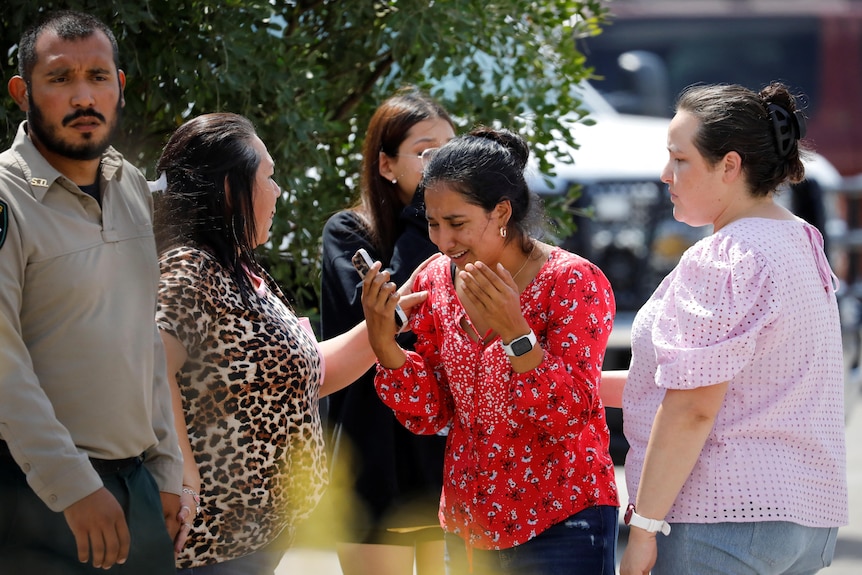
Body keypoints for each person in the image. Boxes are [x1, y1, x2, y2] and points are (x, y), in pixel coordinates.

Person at [153, 112, 428, 574]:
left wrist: (390, 317)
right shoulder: (190, 268)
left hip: (257, 537)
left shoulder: (242, 270)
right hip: (210, 540)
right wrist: (183, 472)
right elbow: (151, 371)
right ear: (229, 188)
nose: (279, 192)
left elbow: (310, 373)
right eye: (269, 177)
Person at [608, 83, 848, 575]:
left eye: (680, 160)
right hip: (804, 520)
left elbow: (693, 406)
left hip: (721, 520)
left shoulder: (724, 255)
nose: (665, 175)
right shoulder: (802, 241)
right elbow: (748, 388)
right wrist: (575, 384)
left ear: (730, 166)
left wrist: (644, 528)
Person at [360, 127, 620, 575]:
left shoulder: (573, 282)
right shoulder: (434, 278)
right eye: (432, 222)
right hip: (468, 528)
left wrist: (516, 333)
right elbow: (434, 412)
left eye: (457, 223)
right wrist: (386, 347)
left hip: (563, 519)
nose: (442, 241)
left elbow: (571, 414)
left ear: (501, 211)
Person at [0, 10, 184, 574]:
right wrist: (72, 486)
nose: (84, 96)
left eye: (98, 77)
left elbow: (141, 337)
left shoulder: (127, 183)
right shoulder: (7, 197)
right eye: (59, 79)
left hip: (138, 491)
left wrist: (168, 469)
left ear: (119, 85)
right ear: (22, 92)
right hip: (37, 498)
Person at [320, 87, 456, 575]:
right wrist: (426, 214)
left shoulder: (460, 238)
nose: (441, 164)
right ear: (385, 165)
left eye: (449, 150)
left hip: (442, 450)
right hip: (375, 453)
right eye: (426, 154)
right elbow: (390, 315)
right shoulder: (347, 233)